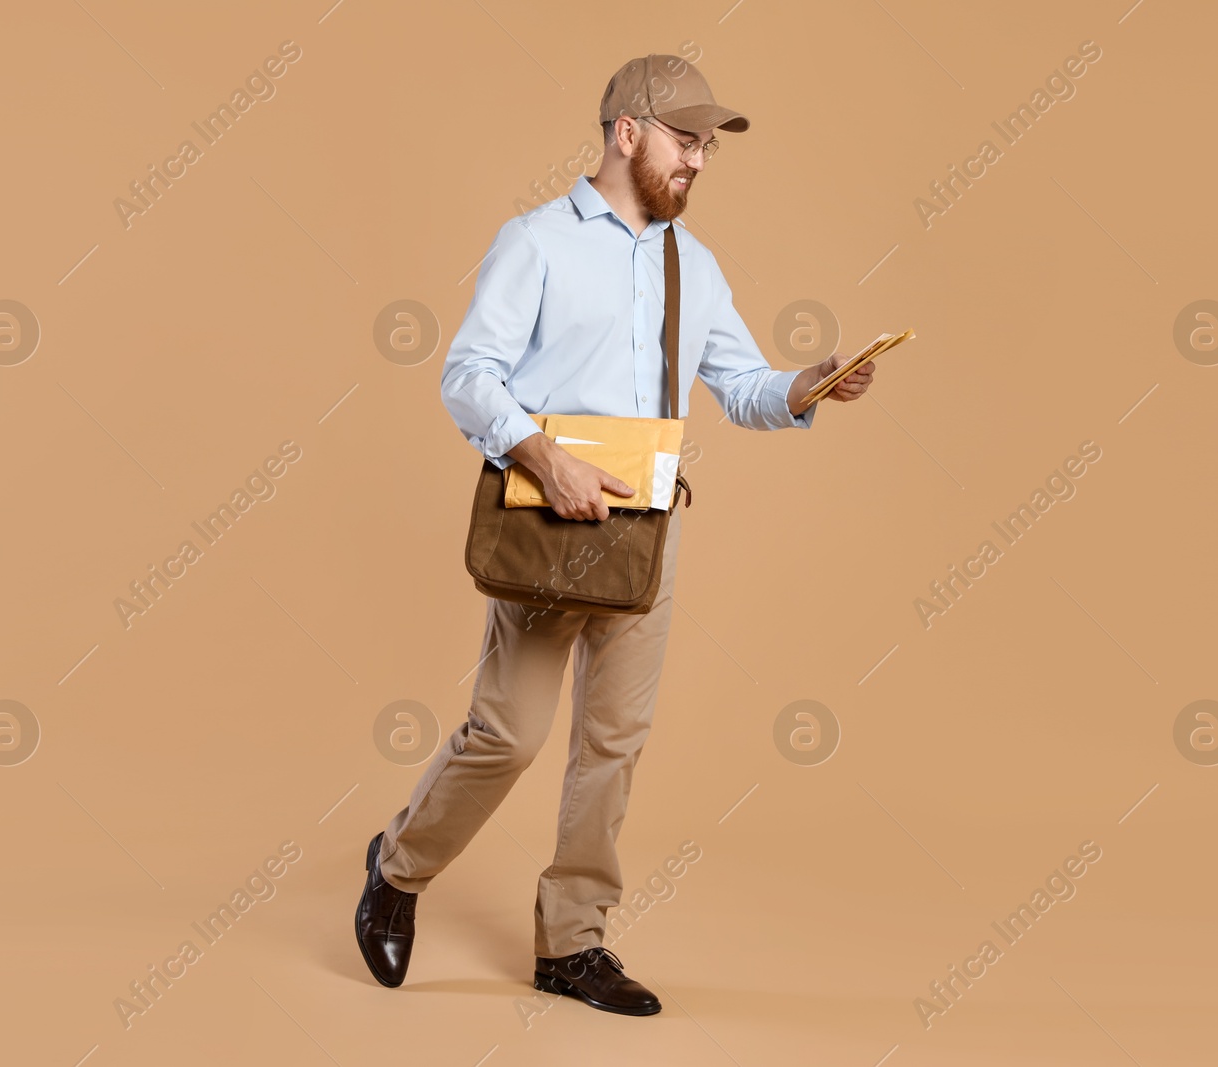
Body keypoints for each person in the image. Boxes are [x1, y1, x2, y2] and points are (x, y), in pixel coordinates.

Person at [355, 53, 875, 1016]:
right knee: (507, 734)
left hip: (648, 535)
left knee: (614, 744)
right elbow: (469, 374)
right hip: (550, 520)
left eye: (708, 146)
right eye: (686, 141)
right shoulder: (538, 243)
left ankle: (572, 943)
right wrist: (541, 457)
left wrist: (807, 387)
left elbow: (743, 388)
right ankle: (400, 866)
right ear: (626, 133)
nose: (700, 163)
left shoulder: (694, 263)